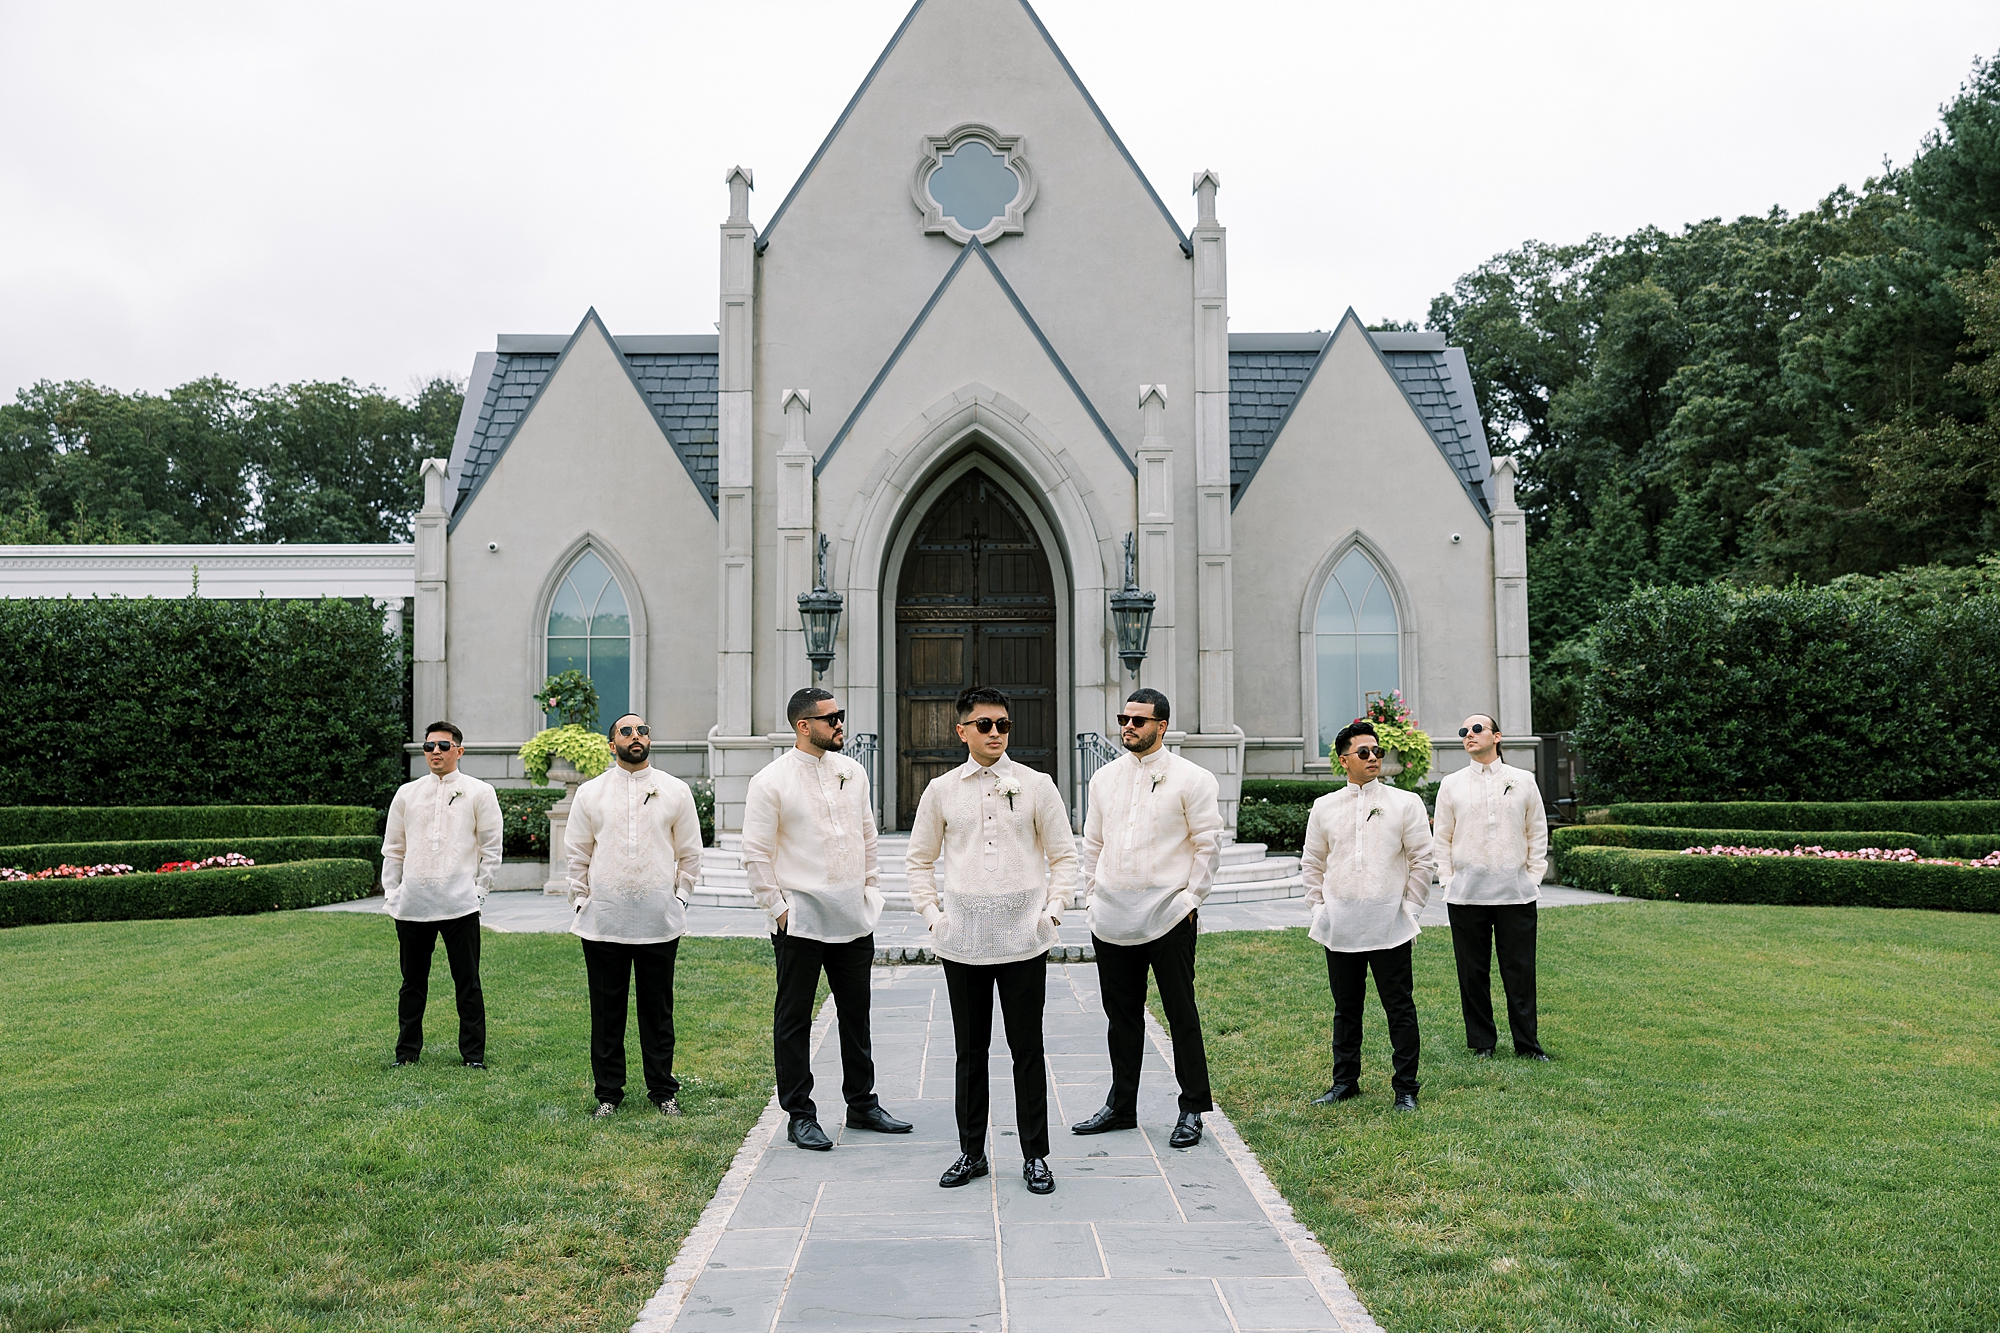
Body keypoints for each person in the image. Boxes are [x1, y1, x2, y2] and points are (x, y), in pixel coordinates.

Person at [906, 685, 1077, 1196]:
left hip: (1025, 939)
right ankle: (971, 1152)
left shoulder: (1037, 784)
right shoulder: (940, 790)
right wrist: (933, 916)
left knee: (1027, 1049)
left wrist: (1053, 911)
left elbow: (1064, 856)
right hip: (962, 942)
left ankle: (1036, 1156)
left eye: (1003, 724)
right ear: (962, 731)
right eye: (985, 725)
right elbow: (918, 860)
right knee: (969, 1051)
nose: (997, 733)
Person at [742, 687, 912, 1151]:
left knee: (857, 1016)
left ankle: (862, 1104)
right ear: (804, 726)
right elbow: (755, 854)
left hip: (853, 917)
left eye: (841, 716)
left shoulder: (853, 772)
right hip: (800, 920)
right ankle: (800, 1113)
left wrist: (871, 891)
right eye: (832, 718)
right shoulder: (770, 781)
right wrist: (778, 911)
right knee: (793, 1019)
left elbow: (867, 835)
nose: (841, 725)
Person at [1074, 688, 1221, 1148]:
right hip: (1113, 916)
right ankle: (1121, 1106)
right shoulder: (1103, 779)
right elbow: (1092, 843)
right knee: (1121, 1017)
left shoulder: (1193, 779)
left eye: (1139, 720)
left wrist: (1189, 900)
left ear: (1161, 725)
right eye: (1124, 718)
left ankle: (1193, 1107)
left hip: (1169, 914)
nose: (1129, 727)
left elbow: (1208, 844)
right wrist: (1093, 896)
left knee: (1181, 1013)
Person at [565, 712, 705, 1119]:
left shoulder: (675, 790)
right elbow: (576, 853)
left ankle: (663, 1092)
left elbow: (690, 853)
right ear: (612, 745)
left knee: (657, 1012)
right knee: (607, 1013)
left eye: (642, 730)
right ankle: (608, 1095)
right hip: (604, 920)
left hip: (659, 921)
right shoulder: (591, 793)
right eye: (626, 731)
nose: (636, 736)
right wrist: (581, 900)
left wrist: (679, 898)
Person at [1301, 720, 1434, 1112]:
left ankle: (1405, 1088)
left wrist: (1408, 909)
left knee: (1400, 1009)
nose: (1374, 757)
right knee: (1346, 1009)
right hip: (1339, 925)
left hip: (1389, 924)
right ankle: (1345, 1082)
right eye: (1364, 753)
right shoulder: (1324, 807)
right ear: (1344, 760)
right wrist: (1319, 909)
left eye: (1377, 751)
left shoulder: (1405, 803)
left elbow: (1423, 861)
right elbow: (1312, 863)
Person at [381, 721, 503, 1068]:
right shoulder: (407, 793)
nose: (435, 752)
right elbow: (394, 848)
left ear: (459, 751)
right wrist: (393, 892)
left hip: (460, 904)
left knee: (467, 982)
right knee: (412, 984)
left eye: (444, 746)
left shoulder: (479, 791)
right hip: (413, 905)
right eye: (429, 746)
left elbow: (492, 848)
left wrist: (480, 891)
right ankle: (406, 1054)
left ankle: (473, 1056)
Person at [1434, 713, 1550, 1061]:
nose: (1468, 735)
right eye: (1463, 732)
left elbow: (1537, 831)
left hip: (1516, 892)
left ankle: (1527, 1045)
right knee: (1472, 972)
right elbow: (1441, 837)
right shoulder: (1451, 784)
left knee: (1520, 971)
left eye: (1476, 729)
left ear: (1496, 736)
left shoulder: (1523, 780)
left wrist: (1532, 876)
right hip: (1466, 894)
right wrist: (1448, 879)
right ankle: (1482, 1043)